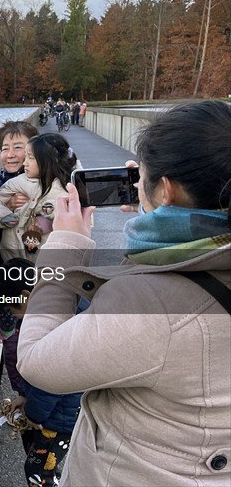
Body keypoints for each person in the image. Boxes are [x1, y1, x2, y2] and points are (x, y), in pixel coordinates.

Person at [17, 101, 231, 486]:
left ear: (166, 190)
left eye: (142, 174)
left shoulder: (152, 306)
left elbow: (36, 360)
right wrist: (158, 219)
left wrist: (64, 245)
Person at [0, 258, 83, 487]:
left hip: (59, 418)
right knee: (44, 465)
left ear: (24, 297)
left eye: (8, 308)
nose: (11, 317)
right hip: (61, 411)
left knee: (38, 471)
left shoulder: (51, 325)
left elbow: (52, 379)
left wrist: (33, 415)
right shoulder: (58, 306)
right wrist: (26, 396)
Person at [0, 120, 39, 341]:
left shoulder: (50, 183)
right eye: (5, 148)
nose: (10, 155)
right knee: (12, 332)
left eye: (18, 147)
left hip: (43, 268)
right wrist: (7, 207)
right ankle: (6, 336)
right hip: (9, 270)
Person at [0, 133, 79, 263]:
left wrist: (46, 220)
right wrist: (4, 214)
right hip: (12, 257)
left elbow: (77, 217)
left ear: (47, 161)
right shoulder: (17, 182)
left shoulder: (67, 187)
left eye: (30, 158)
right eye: (5, 148)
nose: (25, 163)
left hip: (46, 261)